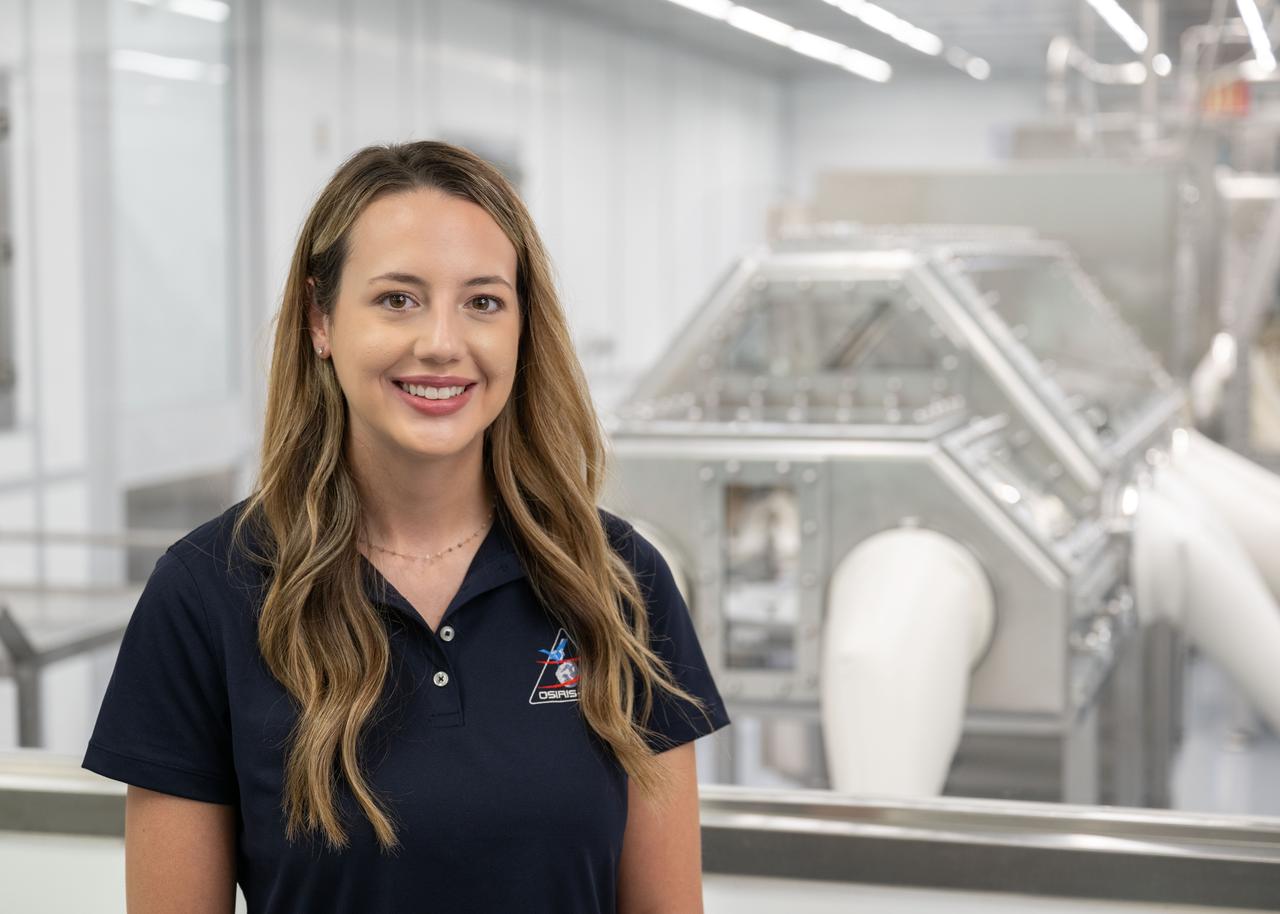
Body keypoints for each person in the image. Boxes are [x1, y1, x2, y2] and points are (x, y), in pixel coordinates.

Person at [82, 140, 731, 913]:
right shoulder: (207, 593)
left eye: (483, 302)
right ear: (321, 320)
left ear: (523, 328)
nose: (442, 343)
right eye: (398, 299)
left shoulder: (620, 581)